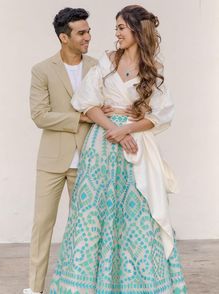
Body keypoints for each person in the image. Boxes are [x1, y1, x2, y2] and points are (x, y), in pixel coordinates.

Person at [50, 5, 187, 294]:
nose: (117, 33)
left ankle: (134, 285)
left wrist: (127, 129)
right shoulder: (108, 60)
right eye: (116, 28)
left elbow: (160, 115)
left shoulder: (153, 70)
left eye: (121, 27)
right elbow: (86, 101)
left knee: (137, 216)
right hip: (101, 147)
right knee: (94, 215)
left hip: (135, 150)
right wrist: (114, 128)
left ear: (137, 30)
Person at [24, 7, 121, 294]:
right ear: (64, 38)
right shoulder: (42, 70)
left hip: (90, 160)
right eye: (82, 33)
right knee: (42, 225)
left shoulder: (99, 66)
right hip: (52, 161)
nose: (88, 37)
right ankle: (34, 288)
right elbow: (40, 115)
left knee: (88, 229)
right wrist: (81, 117)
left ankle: (85, 286)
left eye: (88, 31)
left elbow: (107, 105)